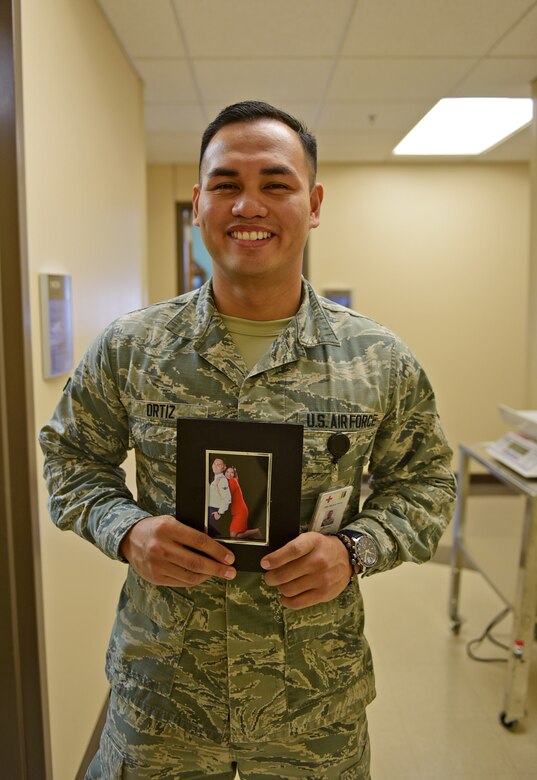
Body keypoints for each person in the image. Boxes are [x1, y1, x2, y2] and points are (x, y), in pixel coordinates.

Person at [40, 100, 456, 779]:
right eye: (226, 184)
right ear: (199, 201)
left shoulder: (378, 360)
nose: (248, 205)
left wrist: (354, 549)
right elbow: (70, 458)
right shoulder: (131, 348)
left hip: (311, 705)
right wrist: (126, 530)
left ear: (313, 202)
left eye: (275, 183)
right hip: (164, 699)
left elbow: (428, 483)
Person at [224, 466, 262, 540]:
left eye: (232, 472)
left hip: (240, 511)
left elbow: (228, 496)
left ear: (234, 474)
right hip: (239, 511)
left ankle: (257, 531)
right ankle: (256, 531)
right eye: (227, 472)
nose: (229, 474)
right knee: (236, 536)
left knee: (233, 535)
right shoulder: (231, 481)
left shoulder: (233, 481)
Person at [208, 457, 231, 537]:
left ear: (224, 468)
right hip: (210, 509)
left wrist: (219, 512)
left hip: (215, 511)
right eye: (214, 464)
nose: (215, 466)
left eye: (218, 465)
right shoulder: (214, 478)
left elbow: (227, 498)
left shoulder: (222, 480)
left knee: (213, 536)